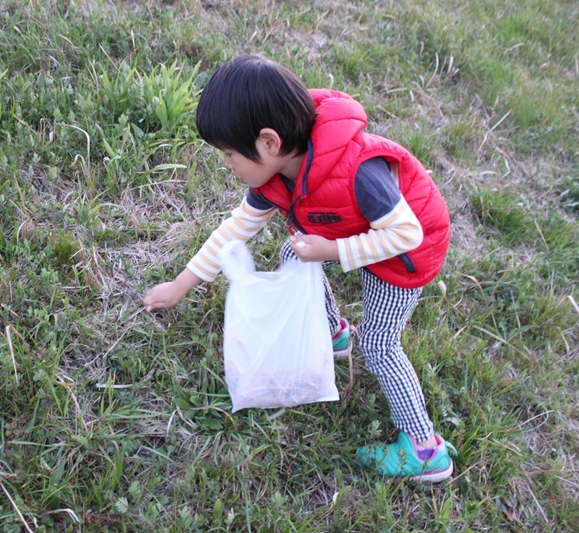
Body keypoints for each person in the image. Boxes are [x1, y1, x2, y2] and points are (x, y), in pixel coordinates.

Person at [142, 54, 457, 482]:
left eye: (230, 153)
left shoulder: (358, 171)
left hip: (404, 256)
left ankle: (424, 448)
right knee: (294, 253)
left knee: (380, 345)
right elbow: (235, 231)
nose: (226, 164)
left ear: (269, 143)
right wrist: (181, 285)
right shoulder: (275, 177)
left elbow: (407, 234)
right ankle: (332, 333)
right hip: (359, 234)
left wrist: (332, 250)